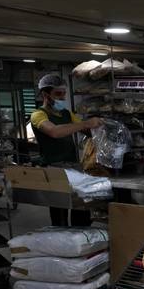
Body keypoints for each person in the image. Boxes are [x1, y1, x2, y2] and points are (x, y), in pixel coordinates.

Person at [30, 73, 103, 226]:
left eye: (64, 93)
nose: (62, 97)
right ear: (45, 94)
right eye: (58, 94)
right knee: (60, 211)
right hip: (53, 167)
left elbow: (87, 131)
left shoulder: (66, 114)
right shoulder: (37, 115)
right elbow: (55, 132)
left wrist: (102, 126)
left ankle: (80, 239)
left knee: (81, 207)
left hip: (72, 165)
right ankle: (62, 241)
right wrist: (85, 124)